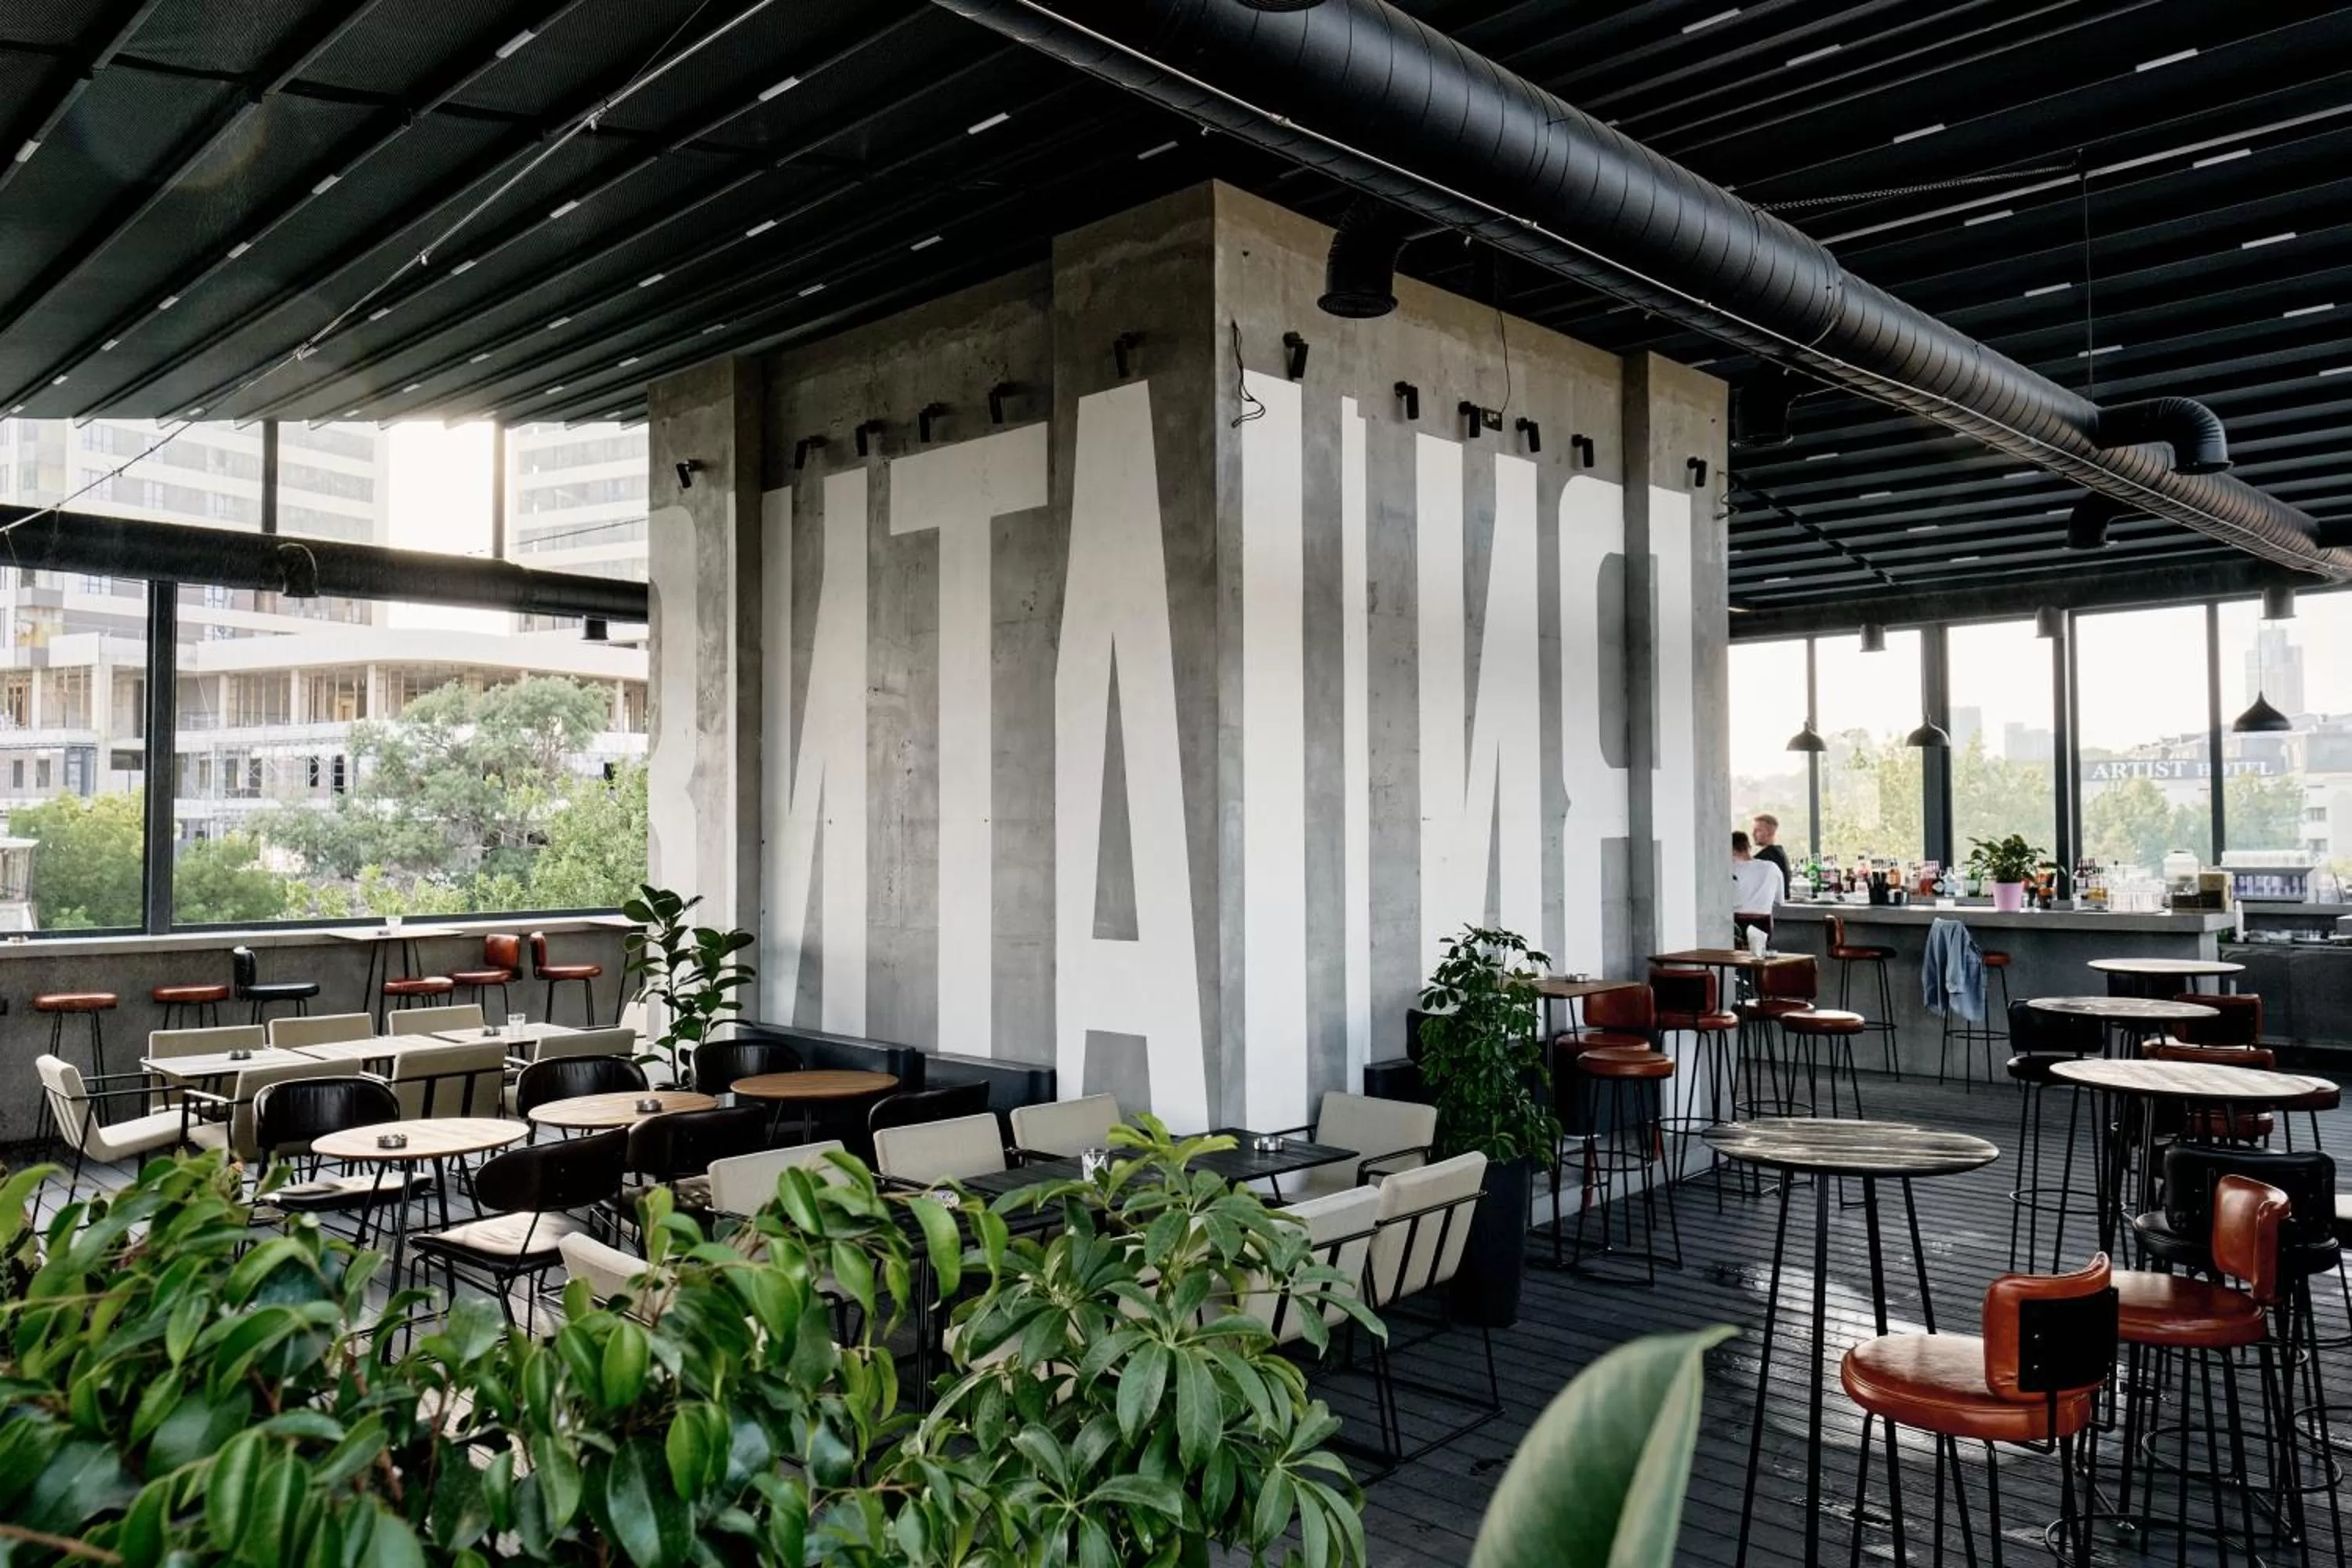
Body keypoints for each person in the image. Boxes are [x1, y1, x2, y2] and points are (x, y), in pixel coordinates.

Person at [1731, 829, 1784, 942]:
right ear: (1749, 847)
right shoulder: (1772, 867)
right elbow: (1779, 901)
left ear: (1732, 850)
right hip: (1763, 931)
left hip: (1735, 931)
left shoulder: (1729, 870)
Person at [1750, 813, 1792, 885]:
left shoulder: (1766, 858)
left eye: (1758, 831)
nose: (1753, 834)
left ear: (1770, 833)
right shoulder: (1779, 852)